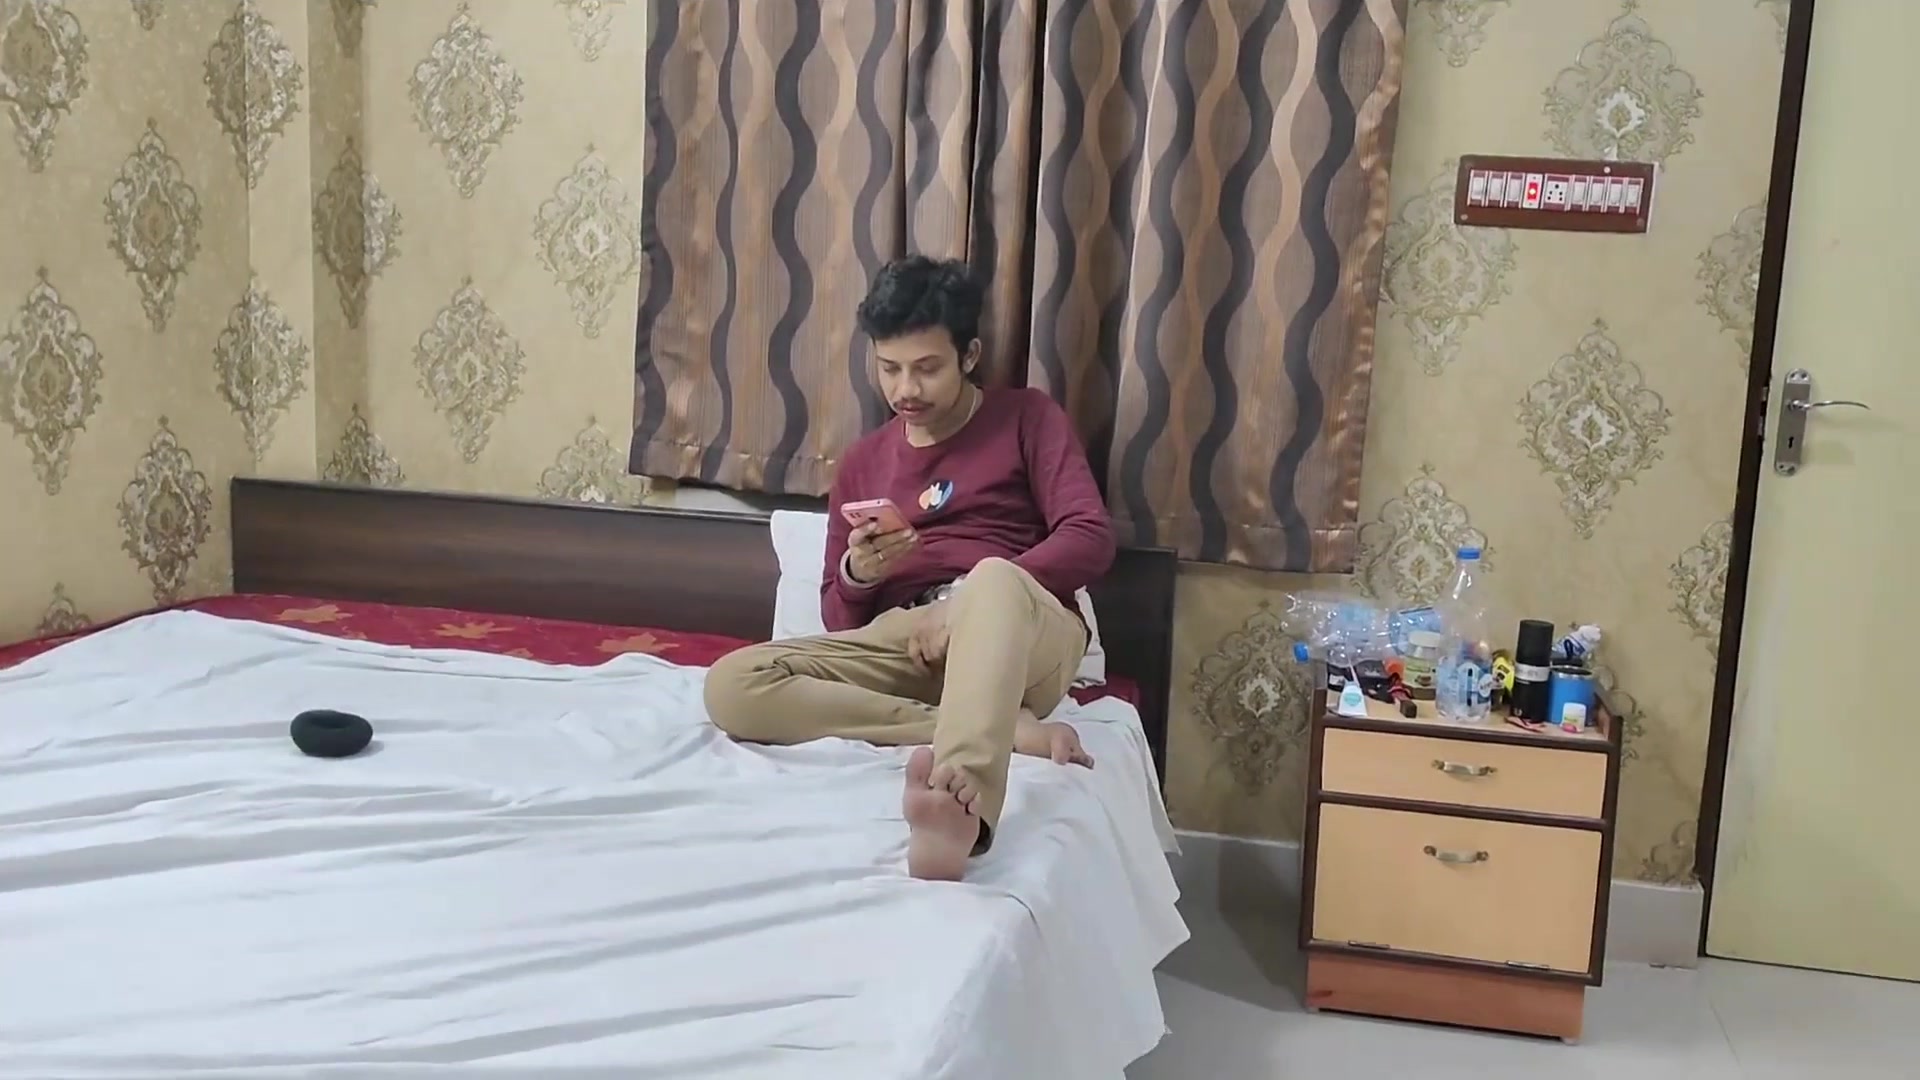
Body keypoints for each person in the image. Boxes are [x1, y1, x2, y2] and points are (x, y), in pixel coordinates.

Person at [703, 255, 1116, 881]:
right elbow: (839, 621)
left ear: (969, 356)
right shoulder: (863, 462)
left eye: (926, 369)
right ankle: (997, 730)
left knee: (993, 578)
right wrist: (858, 575)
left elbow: (1090, 538)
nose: (905, 390)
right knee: (733, 682)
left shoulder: (1028, 419)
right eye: (889, 368)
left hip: (1017, 632)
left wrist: (964, 605)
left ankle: (960, 811)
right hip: (910, 642)